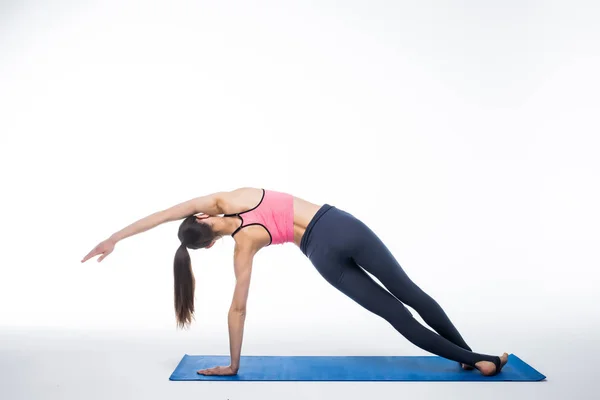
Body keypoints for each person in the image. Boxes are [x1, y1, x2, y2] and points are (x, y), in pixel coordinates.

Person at [81, 187, 508, 377]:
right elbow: (164, 214)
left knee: (396, 315)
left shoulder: (243, 247)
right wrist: (114, 236)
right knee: (412, 294)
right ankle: (473, 356)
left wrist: (233, 365)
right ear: (203, 218)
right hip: (340, 225)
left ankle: (479, 359)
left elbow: (238, 308)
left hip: (322, 256)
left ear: (206, 246)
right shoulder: (226, 199)